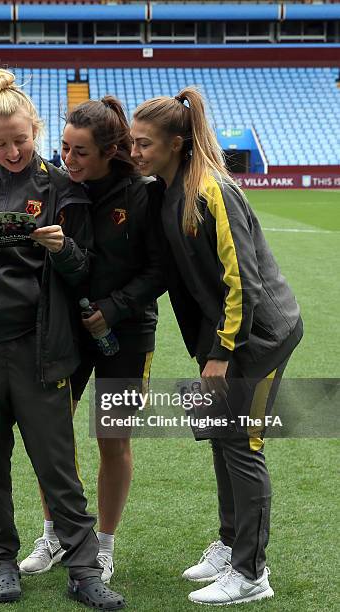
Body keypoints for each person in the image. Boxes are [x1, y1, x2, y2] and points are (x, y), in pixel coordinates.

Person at [0, 68, 125, 610]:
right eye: (1, 143)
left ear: (34, 128)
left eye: (21, 139)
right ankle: (1, 563)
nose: (13, 150)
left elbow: (84, 272)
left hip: (42, 352)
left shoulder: (63, 188)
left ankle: (84, 571)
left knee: (58, 467)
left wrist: (62, 248)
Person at [130, 88, 303, 606]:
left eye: (144, 144)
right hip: (223, 337)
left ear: (177, 144)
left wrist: (223, 352)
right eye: (132, 143)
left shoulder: (213, 191)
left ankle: (252, 573)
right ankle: (230, 546)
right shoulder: (167, 187)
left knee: (243, 446)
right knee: (222, 440)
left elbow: (242, 281)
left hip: (259, 337)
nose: (135, 152)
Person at [19, 96, 165, 583]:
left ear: (108, 152)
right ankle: (57, 534)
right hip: (68, 328)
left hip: (128, 332)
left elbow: (160, 269)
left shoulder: (142, 193)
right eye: (63, 147)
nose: (68, 159)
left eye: (80, 151)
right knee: (52, 433)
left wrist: (114, 309)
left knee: (111, 436)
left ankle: (102, 545)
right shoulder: (58, 187)